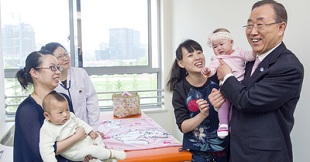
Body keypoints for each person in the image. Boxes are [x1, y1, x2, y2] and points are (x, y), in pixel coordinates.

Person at [208, 1, 304, 162]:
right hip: (238, 150)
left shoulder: (288, 66)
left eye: (260, 25)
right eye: (249, 25)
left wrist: (227, 77)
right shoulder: (249, 60)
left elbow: (248, 100)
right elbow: (236, 93)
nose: (253, 32)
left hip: (265, 156)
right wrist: (218, 100)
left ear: (281, 27)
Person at [14, 51, 90, 162]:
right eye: (52, 68)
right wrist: (78, 136)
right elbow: (40, 152)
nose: (58, 72)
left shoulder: (63, 98)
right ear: (34, 73)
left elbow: (72, 128)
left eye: (58, 68)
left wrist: (85, 153)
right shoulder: (27, 110)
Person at [166, 39, 229, 162]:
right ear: (181, 63)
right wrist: (202, 115)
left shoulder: (217, 78)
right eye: (190, 55)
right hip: (197, 153)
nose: (197, 57)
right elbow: (183, 126)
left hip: (225, 148)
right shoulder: (180, 89)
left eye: (199, 52)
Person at [39, 91, 126, 162]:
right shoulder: (47, 130)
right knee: (93, 150)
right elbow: (46, 151)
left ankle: (101, 155)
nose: (65, 114)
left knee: (97, 136)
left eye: (67, 110)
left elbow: (80, 122)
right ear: (47, 116)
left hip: (84, 141)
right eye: (60, 112)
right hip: (75, 152)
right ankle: (111, 154)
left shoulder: (70, 117)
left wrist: (90, 131)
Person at [201, 28, 255, 139]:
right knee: (224, 104)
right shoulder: (218, 59)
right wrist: (208, 71)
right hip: (225, 86)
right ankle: (223, 124)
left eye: (221, 44)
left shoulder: (239, 52)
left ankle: (231, 125)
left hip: (240, 85)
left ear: (231, 42)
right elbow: (212, 69)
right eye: (215, 47)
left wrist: (255, 52)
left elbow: (249, 56)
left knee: (234, 107)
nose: (219, 48)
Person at [40, 42, 101, 132]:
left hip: (86, 128)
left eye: (66, 54)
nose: (65, 58)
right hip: (62, 133)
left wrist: (93, 128)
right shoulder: (49, 81)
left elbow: (92, 101)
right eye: (60, 56)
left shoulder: (81, 74)